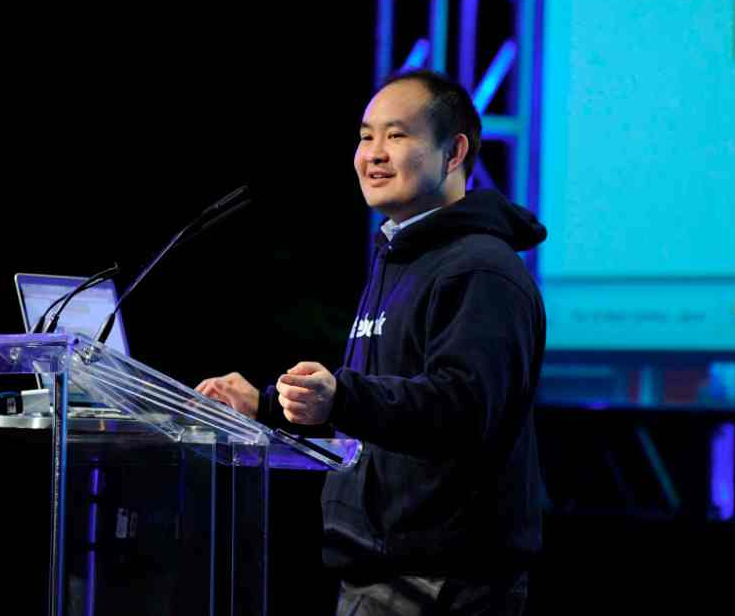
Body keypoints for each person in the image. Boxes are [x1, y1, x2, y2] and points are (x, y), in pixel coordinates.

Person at [195, 69, 547, 615]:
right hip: (381, 572)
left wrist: (343, 397)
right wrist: (264, 405)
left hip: (441, 583)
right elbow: (377, 412)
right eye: (365, 136)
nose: (374, 153)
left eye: (397, 135)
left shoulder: (480, 271)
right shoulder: (400, 260)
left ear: (454, 152)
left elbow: (463, 407)